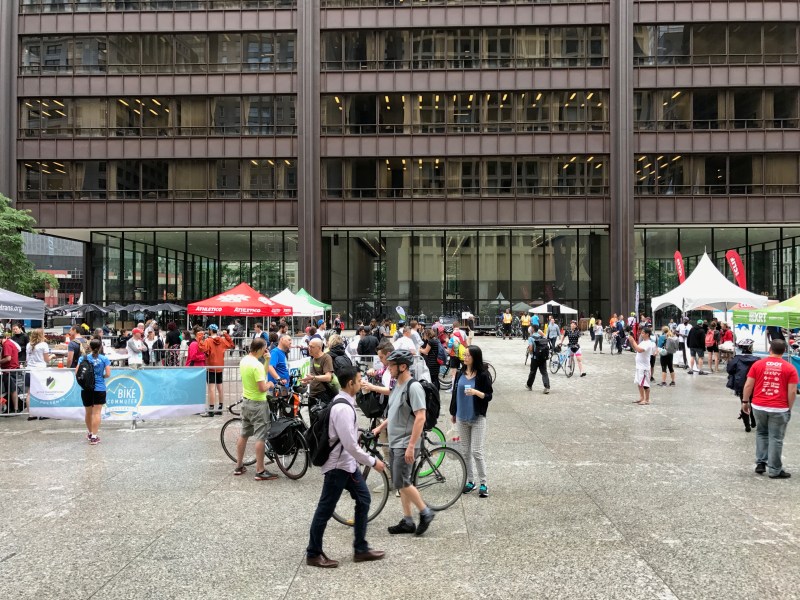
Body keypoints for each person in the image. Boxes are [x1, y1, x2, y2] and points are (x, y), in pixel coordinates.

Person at [306, 366, 386, 568]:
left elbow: (347, 437)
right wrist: (373, 461)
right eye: (359, 380)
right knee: (325, 509)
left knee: (364, 499)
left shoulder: (345, 403)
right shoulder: (342, 408)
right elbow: (349, 445)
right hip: (337, 467)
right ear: (350, 383)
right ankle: (313, 553)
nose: (361, 383)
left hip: (347, 465)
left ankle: (360, 548)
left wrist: (360, 434)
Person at [371, 349, 435, 536]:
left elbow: (420, 417)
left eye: (391, 365)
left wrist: (411, 445)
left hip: (405, 442)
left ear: (403, 366)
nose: (388, 368)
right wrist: (380, 427)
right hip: (396, 440)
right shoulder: (398, 385)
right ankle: (408, 520)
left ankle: (425, 512)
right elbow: (394, 413)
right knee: (402, 481)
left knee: (401, 481)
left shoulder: (413, 387)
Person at [743, 339, 798, 478]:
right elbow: (792, 392)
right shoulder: (790, 368)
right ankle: (774, 470)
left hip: (759, 406)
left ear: (770, 350)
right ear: (784, 351)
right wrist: (788, 408)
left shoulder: (758, 364)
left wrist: (745, 401)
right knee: (776, 438)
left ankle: (761, 462)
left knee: (761, 433)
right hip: (779, 408)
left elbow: (749, 385)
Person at [450, 345, 494, 498]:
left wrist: (476, 392)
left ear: (475, 357)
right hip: (461, 417)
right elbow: (454, 393)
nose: (465, 357)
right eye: (464, 355)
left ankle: (483, 483)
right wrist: (453, 412)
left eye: (468, 355)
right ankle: (470, 481)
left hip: (477, 418)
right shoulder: (460, 373)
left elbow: (489, 395)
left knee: (476, 451)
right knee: (465, 452)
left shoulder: (482, 375)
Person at [233, 337, 279, 481]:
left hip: (246, 402)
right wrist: (270, 384)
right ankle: (260, 470)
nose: (266, 350)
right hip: (258, 404)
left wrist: (267, 361)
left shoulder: (245, 360)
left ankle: (239, 466)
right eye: (265, 348)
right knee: (261, 436)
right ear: (260, 349)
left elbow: (261, 375)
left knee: (244, 434)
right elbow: (262, 387)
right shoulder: (256, 365)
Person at [75, 339, 111, 445]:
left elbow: (77, 372)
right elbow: (108, 374)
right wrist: (101, 376)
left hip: (86, 388)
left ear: (90, 347)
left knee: (88, 412)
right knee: (96, 413)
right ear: (100, 347)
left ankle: (90, 433)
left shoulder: (83, 358)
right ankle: (94, 437)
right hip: (99, 388)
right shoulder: (104, 359)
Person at [199, 324, 234, 417]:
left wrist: (199, 337)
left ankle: (211, 409)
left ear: (210, 330)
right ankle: (220, 408)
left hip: (211, 367)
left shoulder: (208, 340)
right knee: (220, 387)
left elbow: (201, 348)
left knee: (211, 388)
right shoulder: (222, 340)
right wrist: (226, 335)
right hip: (219, 366)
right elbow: (231, 344)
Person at [726, 338, 760, 432]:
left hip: (740, 384)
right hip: (755, 384)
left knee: (744, 402)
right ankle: (753, 421)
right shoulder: (757, 359)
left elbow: (729, 370)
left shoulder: (736, 359)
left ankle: (747, 426)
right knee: (753, 402)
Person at [303, 338, 335, 406]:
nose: (309, 348)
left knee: (321, 416)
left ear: (319, 348)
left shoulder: (326, 358)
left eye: (312, 347)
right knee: (312, 416)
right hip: (312, 394)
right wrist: (307, 381)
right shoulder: (313, 358)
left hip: (322, 395)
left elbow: (328, 377)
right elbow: (314, 377)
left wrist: (313, 377)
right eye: (309, 346)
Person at [628, 326, 656, 405]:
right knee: (639, 383)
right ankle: (641, 397)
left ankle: (646, 399)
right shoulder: (643, 342)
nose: (641, 334)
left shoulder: (648, 343)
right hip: (639, 366)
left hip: (644, 367)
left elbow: (640, 350)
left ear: (647, 334)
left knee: (645, 384)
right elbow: (636, 349)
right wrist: (632, 342)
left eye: (643, 333)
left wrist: (633, 341)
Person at [525, 324, 550, 394]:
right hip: (543, 358)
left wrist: (531, 353)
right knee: (544, 372)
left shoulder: (531, 338)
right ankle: (547, 387)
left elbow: (530, 348)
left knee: (532, 372)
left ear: (533, 329)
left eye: (531, 328)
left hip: (535, 358)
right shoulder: (542, 337)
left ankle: (529, 385)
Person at [1, 334, 21, 414]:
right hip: (10, 369)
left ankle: (15, 409)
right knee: (11, 389)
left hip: (10, 370)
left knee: (12, 390)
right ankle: (13, 408)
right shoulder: (9, 343)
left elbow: (8, 358)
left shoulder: (6, 344)